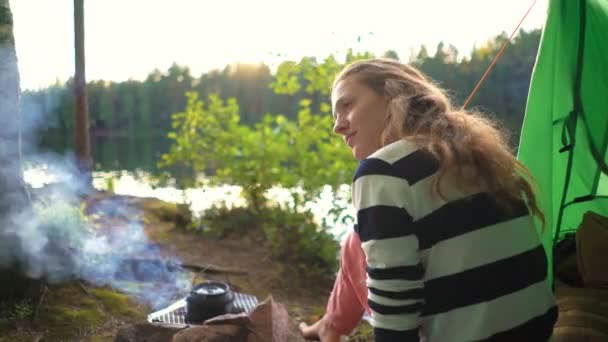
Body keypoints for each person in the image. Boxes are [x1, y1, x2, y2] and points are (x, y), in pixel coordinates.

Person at [299, 58, 558, 341]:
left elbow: (394, 309)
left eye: (346, 105)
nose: (337, 126)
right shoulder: (479, 153)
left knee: (361, 239)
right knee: (359, 236)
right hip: (537, 332)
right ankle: (330, 325)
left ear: (392, 93)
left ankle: (330, 326)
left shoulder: (383, 170)